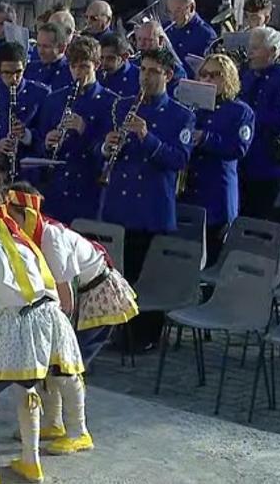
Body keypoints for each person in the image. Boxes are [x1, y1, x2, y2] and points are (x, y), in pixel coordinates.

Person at [0, 186, 84, 484]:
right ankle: (31, 462)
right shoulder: (25, 243)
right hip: (50, 321)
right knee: (27, 388)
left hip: (17, 325)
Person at [7, 182, 137, 454]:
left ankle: (80, 432)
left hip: (97, 299)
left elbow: (66, 295)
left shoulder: (50, 238)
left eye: (11, 213)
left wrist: (56, 334)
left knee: (66, 365)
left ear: (26, 213)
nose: (7, 219)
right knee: (53, 363)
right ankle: (54, 424)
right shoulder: (26, 235)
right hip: (74, 299)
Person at [98, 48, 195, 351]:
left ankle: (145, 336)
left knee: (145, 275)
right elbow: (101, 150)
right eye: (142, 70)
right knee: (117, 272)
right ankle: (114, 330)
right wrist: (107, 146)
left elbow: (179, 159)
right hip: (119, 203)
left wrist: (146, 137)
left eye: (153, 71)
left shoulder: (183, 115)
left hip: (151, 205)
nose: (145, 76)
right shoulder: (122, 105)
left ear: (167, 75)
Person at [181, 54, 254, 264]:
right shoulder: (192, 109)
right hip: (189, 190)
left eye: (215, 75)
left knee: (214, 253)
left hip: (217, 191)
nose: (207, 80)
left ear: (228, 78)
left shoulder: (240, 111)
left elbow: (239, 148)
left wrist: (206, 138)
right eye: (204, 75)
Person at [36, 35, 118, 223]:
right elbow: (39, 141)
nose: (78, 73)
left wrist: (84, 129)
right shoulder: (55, 99)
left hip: (88, 189)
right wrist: (47, 143)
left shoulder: (111, 102)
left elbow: (110, 152)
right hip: (56, 187)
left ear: (96, 65)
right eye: (73, 66)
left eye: (84, 67)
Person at [239, 26, 280, 219]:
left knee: (265, 215)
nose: (249, 53)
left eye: (256, 48)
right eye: (250, 47)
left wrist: (247, 118)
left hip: (271, 160)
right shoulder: (248, 74)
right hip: (247, 158)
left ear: (273, 51)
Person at [0, 43, 50, 166]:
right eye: (7, 73)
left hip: (26, 169)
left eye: (18, 72)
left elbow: (46, 137)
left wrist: (26, 135)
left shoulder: (40, 93)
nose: (14, 78)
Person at [165, 0, 217, 76]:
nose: (173, 17)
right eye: (170, 12)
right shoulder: (166, 28)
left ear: (192, 8)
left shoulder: (206, 34)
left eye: (178, 11)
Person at [132, 20, 187, 95]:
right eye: (139, 39)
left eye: (147, 40)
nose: (141, 44)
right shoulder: (132, 65)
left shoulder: (177, 72)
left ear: (160, 41)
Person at [25, 22, 73, 91]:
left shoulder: (70, 72)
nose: (41, 51)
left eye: (46, 47)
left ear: (62, 48)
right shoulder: (30, 69)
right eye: (38, 45)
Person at [99, 33, 140, 98]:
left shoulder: (138, 77)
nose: (104, 62)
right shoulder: (97, 74)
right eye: (101, 57)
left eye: (110, 58)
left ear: (125, 56)